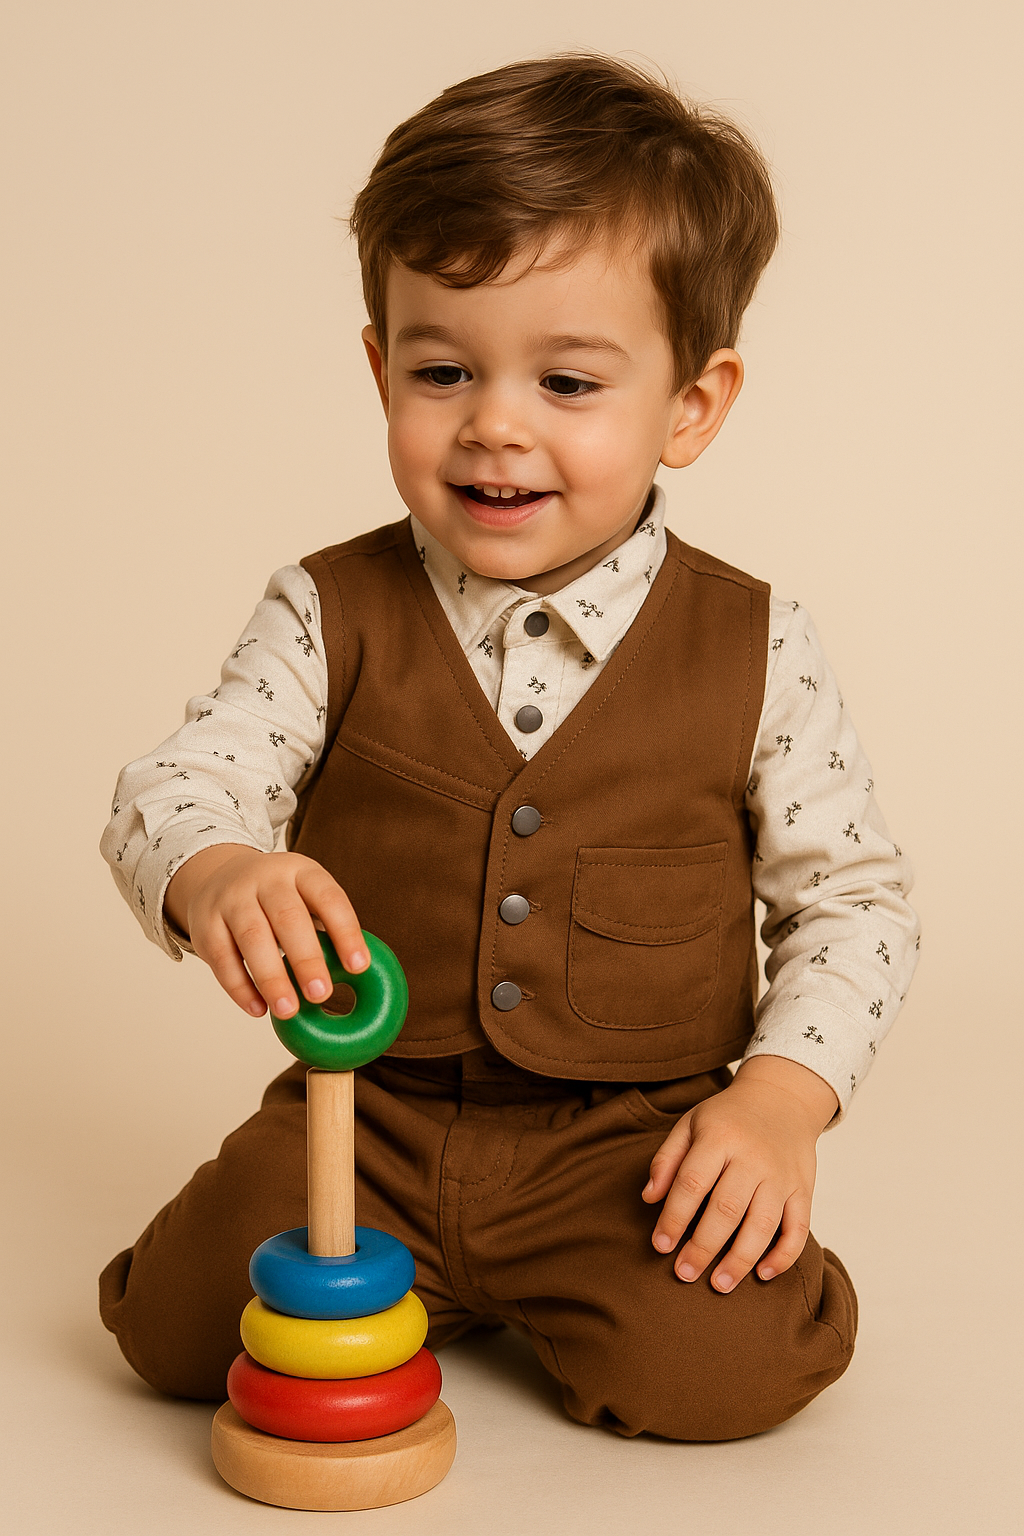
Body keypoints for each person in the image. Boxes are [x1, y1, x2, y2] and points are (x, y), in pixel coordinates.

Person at [98, 54, 919, 1441]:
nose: (494, 424)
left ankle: (588, 1278)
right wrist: (216, 868)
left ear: (692, 404)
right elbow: (182, 784)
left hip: (627, 1141)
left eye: (568, 381)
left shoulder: (758, 643)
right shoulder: (326, 609)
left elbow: (854, 902)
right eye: (442, 371)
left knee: (726, 1372)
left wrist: (783, 1102)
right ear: (380, 368)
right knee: (173, 1335)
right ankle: (419, 1274)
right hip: (365, 1115)